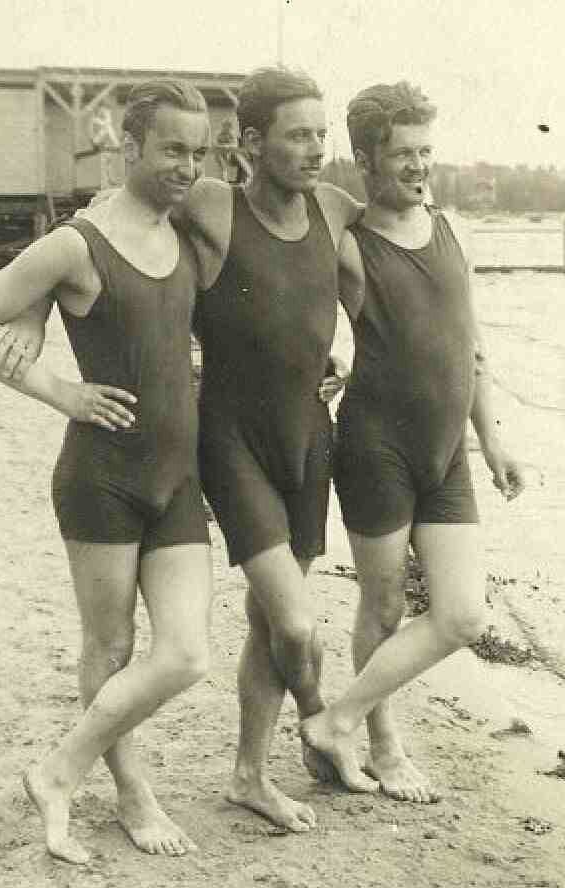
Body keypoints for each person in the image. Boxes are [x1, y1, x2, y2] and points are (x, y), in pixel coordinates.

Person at [0, 66, 373, 832]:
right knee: (287, 625)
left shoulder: (334, 206)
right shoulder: (208, 203)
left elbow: (375, 278)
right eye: (299, 134)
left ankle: (251, 773)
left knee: (255, 629)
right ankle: (321, 722)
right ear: (253, 144)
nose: (315, 149)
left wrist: (350, 361)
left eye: (321, 135)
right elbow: (110, 219)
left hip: (299, 439)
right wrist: (35, 322)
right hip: (222, 443)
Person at [0, 78, 214, 863]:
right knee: (110, 648)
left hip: (180, 477)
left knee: (187, 653)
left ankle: (59, 771)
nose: (186, 167)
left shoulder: (187, 227)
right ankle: (133, 795)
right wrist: (63, 392)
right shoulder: (78, 242)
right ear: (126, 148)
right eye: (171, 149)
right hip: (101, 477)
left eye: (197, 153)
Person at [301, 81, 525, 803]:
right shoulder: (351, 244)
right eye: (403, 155)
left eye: (427, 150)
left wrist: (491, 438)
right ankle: (384, 745)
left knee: (462, 614)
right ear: (365, 159)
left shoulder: (451, 228)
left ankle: (336, 720)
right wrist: (316, 367)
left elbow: (471, 346)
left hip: (447, 452)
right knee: (384, 604)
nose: (420, 166)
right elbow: (280, 305)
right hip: (376, 447)